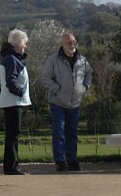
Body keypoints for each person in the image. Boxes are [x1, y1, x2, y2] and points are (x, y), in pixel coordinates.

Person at [42, 31, 93, 172]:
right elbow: (46, 78)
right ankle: (60, 161)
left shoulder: (82, 60)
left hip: (75, 103)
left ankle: (72, 160)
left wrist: (85, 86)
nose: (72, 45)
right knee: (59, 132)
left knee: (72, 133)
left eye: (73, 42)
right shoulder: (53, 60)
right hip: (58, 103)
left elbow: (89, 73)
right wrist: (56, 89)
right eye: (69, 42)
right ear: (62, 44)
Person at [0, 28, 31, 176]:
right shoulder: (11, 59)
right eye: (24, 43)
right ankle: (11, 167)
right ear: (18, 43)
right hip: (13, 102)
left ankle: (11, 166)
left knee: (12, 135)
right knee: (13, 135)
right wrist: (21, 91)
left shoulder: (10, 58)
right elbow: (10, 82)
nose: (25, 46)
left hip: (12, 102)